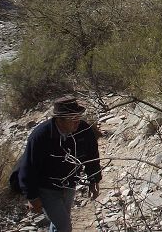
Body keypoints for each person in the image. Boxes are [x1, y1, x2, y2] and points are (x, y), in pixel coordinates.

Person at [17, 95, 102, 232]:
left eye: (78, 117)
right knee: (64, 226)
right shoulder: (41, 136)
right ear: (59, 120)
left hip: (70, 184)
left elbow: (92, 155)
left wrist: (94, 179)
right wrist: (32, 196)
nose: (77, 122)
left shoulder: (84, 130)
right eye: (72, 119)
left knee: (60, 222)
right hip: (46, 188)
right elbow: (28, 167)